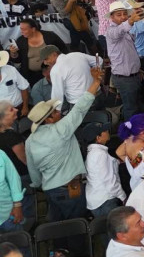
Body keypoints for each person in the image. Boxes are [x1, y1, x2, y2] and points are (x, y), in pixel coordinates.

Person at [25, 66, 102, 222]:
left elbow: (33, 170)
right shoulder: (61, 129)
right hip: (70, 188)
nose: (58, 111)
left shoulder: (30, 140)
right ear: (48, 119)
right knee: (75, 226)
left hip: (49, 190)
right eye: (55, 111)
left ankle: (59, 247)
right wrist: (96, 81)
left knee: (58, 227)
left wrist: (40, 184)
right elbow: (81, 107)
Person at [106, 1, 144, 120]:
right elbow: (118, 32)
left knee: (135, 106)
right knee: (131, 109)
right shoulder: (111, 31)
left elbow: (129, 52)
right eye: (119, 15)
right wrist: (130, 21)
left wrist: (138, 69)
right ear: (111, 17)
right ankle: (131, 135)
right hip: (125, 78)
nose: (123, 17)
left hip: (133, 75)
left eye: (124, 14)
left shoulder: (126, 29)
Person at [83, 122, 126, 217]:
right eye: (104, 131)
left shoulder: (94, 153)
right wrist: (123, 197)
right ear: (98, 138)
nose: (107, 131)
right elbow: (109, 181)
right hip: (105, 201)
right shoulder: (100, 154)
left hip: (97, 200)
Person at [8, 19, 67, 86]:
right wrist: (13, 53)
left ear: (33, 29)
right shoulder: (21, 41)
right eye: (21, 29)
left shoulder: (50, 36)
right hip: (31, 75)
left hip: (53, 71)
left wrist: (63, 65)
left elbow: (64, 49)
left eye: (24, 29)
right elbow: (18, 60)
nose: (21, 32)